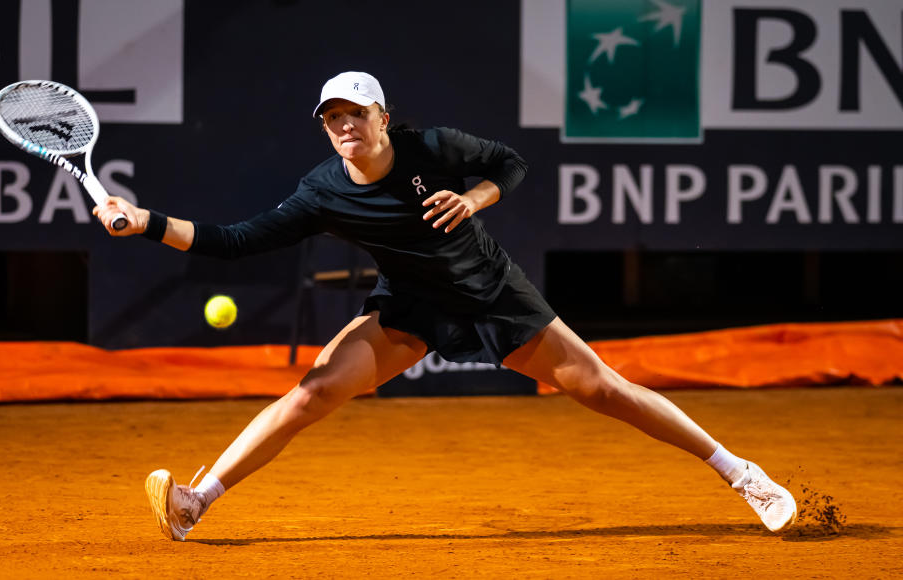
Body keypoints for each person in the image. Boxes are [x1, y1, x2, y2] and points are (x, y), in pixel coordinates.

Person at [94, 71, 798, 541]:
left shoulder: (432, 147)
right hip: (410, 305)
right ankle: (196, 502)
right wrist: (148, 220)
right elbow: (235, 241)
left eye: (356, 114)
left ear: (382, 118)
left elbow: (510, 165)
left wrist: (475, 197)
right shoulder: (320, 192)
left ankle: (744, 476)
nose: (345, 126)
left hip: (491, 293)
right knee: (312, 393)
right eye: (332, 118)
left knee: (601, 388)